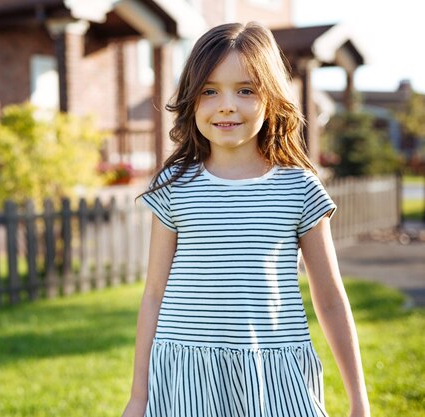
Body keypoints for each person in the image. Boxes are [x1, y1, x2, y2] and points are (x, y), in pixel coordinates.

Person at [121, 22, 370, 417]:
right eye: (209, 90)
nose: (226, 105)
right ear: (191, 99)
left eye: (245, 90)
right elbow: (154, 294)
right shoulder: (173, 186)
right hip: (186, 373)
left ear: (271, 98)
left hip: (271, 372)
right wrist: (138, 397)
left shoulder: (298, 188)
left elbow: (331, 298)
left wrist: (359, 401)